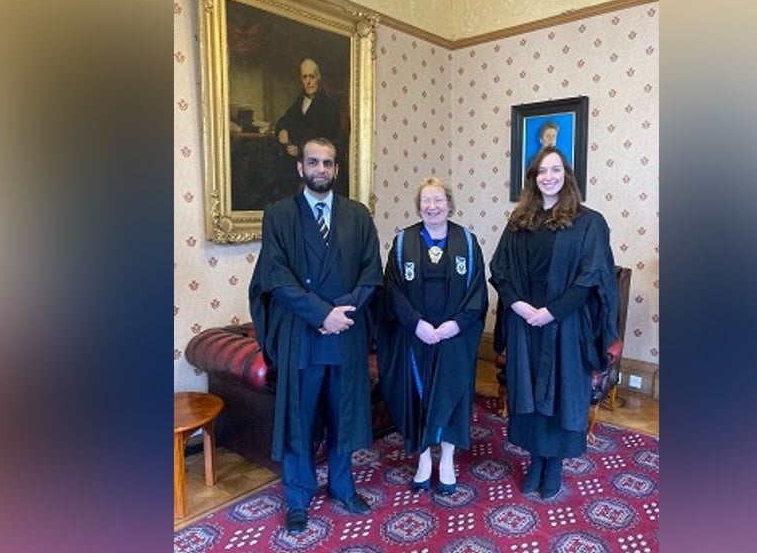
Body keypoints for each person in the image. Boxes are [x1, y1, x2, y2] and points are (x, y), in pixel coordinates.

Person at [248, 137, 382, 534]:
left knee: (344, 415)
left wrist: (342, 314)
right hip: (302, 334)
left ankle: (342, 486)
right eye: (313, 162)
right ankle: (298, 497)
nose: (320, 169)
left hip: (346, 332)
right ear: (300, 167)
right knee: (299, 419)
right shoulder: (279, 215)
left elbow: (371, 273)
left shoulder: (358, 215)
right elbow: (276, 277)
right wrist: (322, 314)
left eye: (327, 163)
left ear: (336, 169)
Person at [489, 145, 619, 499]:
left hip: (566, 325)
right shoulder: (519, 221)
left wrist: (551, 312)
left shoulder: (588, 222)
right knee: (528, 391)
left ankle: (554, 464)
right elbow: (500, 270)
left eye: (556, 170)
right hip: (525, 324)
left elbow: (592, 277)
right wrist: (519, 306)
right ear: (532, 178)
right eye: (542, 171)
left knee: (561, 394)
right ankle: (536, 460)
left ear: (567, 175)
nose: (549, 177)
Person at [377, 178, 488, 496]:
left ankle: (448, 460)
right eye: (426, 200)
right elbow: (392, 289)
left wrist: (456, 325)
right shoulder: (403, 242)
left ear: (449, 204)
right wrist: (416, 324)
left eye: (438, 200)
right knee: (419, 397)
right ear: (419, 206)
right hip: (417, 337)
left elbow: (478, 292)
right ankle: (424, 460)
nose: (432, 206)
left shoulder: (467, 242)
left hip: (454, 337)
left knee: (452, 397)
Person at [275, 59, 342, 159]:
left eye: (312, 77)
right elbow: (284, 120)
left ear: (318, 78)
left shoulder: (330, 107)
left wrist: (301, 150)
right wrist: (282, 130)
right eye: (305, 77)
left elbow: (329, 144)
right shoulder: (299, 102)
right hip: (296, 162)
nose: (308, 82)